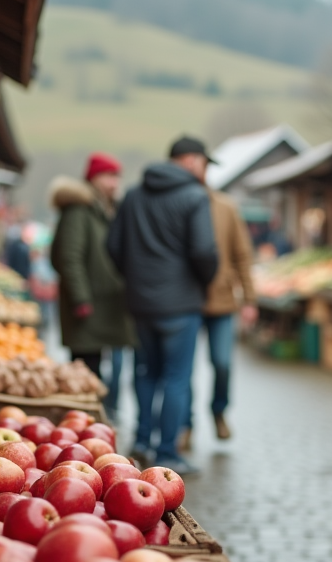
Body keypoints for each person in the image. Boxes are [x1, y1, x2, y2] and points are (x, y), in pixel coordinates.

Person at [108, 136, 219, 473]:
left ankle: (142, 441)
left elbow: (113, 245)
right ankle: (168, 452)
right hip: (181, 304)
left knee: (145, 372)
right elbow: (203, 251)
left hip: (141, 303)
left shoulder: (133, 196)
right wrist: (205, 279)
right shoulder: (195, 197)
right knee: (175, 377)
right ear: (193, 162)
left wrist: (135, 277)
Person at [49, 152, 134, 419]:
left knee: (103, 368)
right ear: (94, 178)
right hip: (88, 306)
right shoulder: (79, 211)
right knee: (85, 371)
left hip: (108, 305)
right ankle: (83, 421)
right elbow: (69, 257)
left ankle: (100, 417)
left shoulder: (105, 211)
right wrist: (80, 299)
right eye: (109, 176)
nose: (114, 183)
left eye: (116, 177)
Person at [182, 189, 257, 446]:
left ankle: (219, 411)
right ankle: (185, 424)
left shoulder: (226, 207)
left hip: (223, 302)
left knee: (222, 363)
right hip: (186, 302)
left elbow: (242, 254)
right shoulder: (179, 204)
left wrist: (249, 298)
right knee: (184, 370)